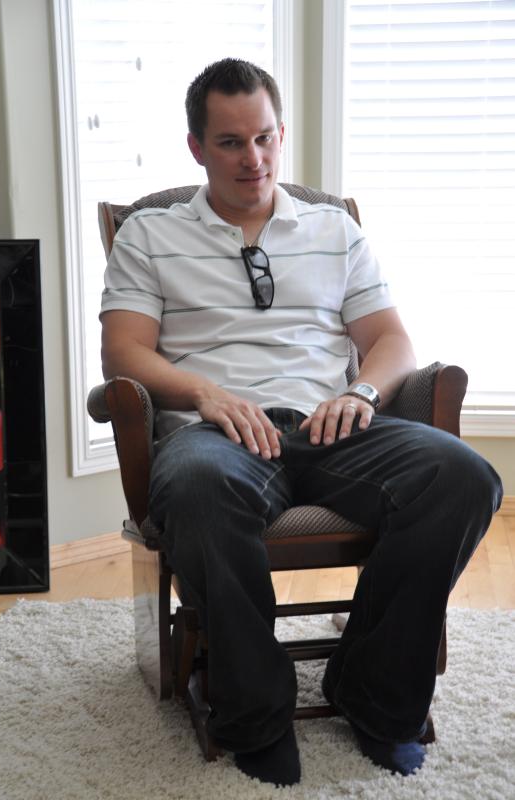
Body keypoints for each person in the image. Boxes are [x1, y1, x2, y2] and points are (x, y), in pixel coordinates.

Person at [100, 58, 503, 787]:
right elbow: (123, 349)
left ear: (280, 134)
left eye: (262, 138)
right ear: (196, 147)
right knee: (195, 488)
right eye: (228, 142)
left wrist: (365, 395)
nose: (250, 159)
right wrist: (206, 394)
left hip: (331, 424)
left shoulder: (332, 230)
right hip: (216, 434)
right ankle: (252, 715)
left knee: (464, 478)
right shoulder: (149, 235)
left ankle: (375, 695)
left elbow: (390, 340)